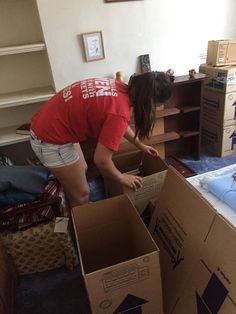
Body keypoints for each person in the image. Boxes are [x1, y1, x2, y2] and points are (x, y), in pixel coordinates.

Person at [30, 71, 172, 207]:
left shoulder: (118, 87)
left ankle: (70, 194)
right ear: (147, 102)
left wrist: (140, 145)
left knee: (82, 168)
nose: (153, 110)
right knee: (82, 195)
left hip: (48, 123)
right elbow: (102, 160)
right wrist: (122, 177)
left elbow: (118, 124)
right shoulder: (120, 112)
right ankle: (78, 223)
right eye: (155, 107)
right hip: (50, 140)